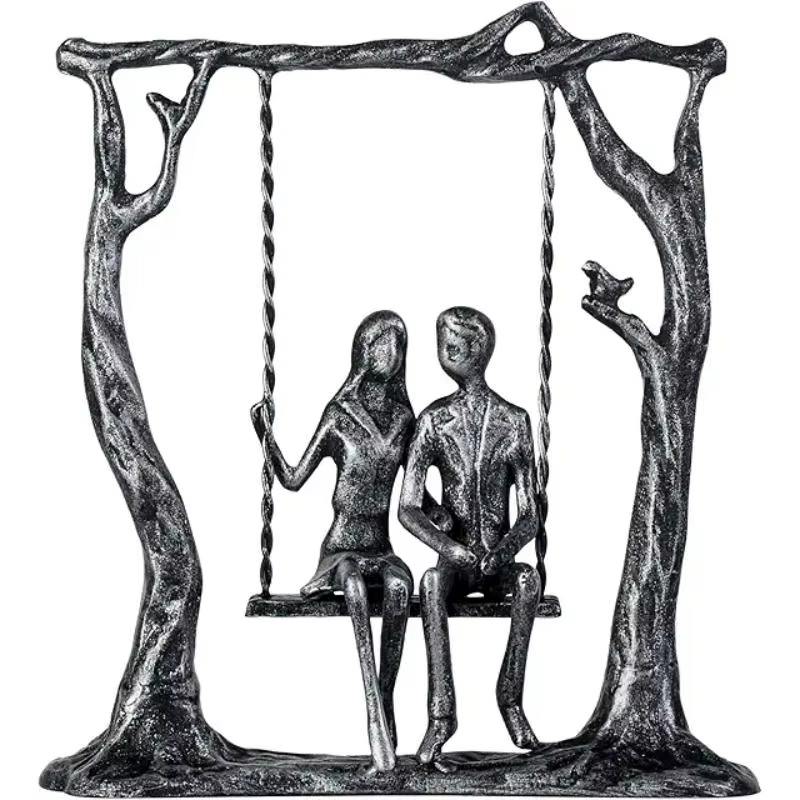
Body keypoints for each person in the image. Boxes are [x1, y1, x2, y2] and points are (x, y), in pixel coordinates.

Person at [252, 310, 450, 773]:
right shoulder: (339, 415)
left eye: (399, 344)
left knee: (401, 587)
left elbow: (416, 494)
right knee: (355, 590)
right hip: (341, 548)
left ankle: (386, 699)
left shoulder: (403, 419)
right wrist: (266, 436)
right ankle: (371, 709)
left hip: (381, 546)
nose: (392, 353)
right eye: (383, 343)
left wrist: (444, 515)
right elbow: (294, 479)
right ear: (364, 349)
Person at [399, 306, 542, 766]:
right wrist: (449, 548)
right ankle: (441, 716)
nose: (444, 351)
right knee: (431, 584)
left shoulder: (514, 421)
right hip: (456, 564)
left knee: (528, 581)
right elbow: (408, 508)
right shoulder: (433, 421)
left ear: (478, 349)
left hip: (497, 562)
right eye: (442, 343)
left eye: (452, 343)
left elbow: (531, 514)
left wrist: (504, 551)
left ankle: (511, 698)